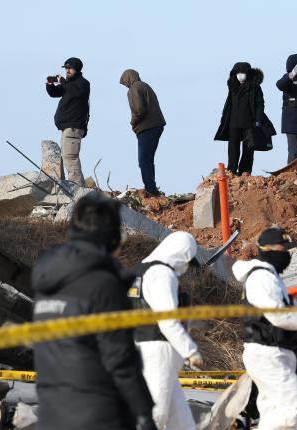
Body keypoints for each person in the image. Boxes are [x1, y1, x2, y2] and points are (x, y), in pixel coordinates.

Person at [32, 192, 156, 430]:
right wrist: (143, 412)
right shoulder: (102, 284)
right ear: (111, 238)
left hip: (51, 413)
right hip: (98, 414)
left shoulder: (47, 281)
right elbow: (120, 359)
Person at [233, 227, 297, 429]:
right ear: (266, 249)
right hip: (267, 351)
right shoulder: (261, 277)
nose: (285, 253)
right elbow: (276, 314)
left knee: (272, 410)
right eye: (281, 247)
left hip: (273, 351)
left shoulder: (271, 276)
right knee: (291, 410)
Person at [129, 231, 204, 430]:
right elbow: (168, 321)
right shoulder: (163, 273)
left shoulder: (141, 270)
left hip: (142, 347)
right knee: (155, 416)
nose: (186, 268)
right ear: (183, 255)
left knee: (181, 423)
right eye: (187, 262)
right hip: (158, 351)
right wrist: (191, 352)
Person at [215, 62, 276, 176]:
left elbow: (260, 104)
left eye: (243, 73)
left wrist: (258, 120)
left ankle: (245, 171)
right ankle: (232, 170)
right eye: (238, 73)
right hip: (233, 122)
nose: (240, 75)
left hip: (250, 122)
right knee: (233, 146)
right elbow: (229, 104)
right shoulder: (232, 86)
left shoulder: (255, 87)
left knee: (248, 148)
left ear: (248, 74)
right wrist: (225, 119)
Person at [120, 69, 167, 197]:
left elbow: (139, 110)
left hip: (146, 128)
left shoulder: (134, 88)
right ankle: (152, 187)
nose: (125, 86)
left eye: (124, 83)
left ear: (127, 79)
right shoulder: (145, 85)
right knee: (149, 159)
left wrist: (133, 122)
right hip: (157, 126)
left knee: (143, 160)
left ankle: (150, 189)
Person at [45, 57, 90, 186]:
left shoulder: (82, 83)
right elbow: (55, 93)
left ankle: (77, 189)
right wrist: (50, 85)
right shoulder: (69, 84)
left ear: (77, 69)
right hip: (68, 127)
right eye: (66, 69)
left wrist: (63, 82)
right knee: (67, 157)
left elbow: (76, 92)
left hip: (73, 126)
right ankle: (75, 187)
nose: (67, 71)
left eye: (69, 68)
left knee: (70, 157)